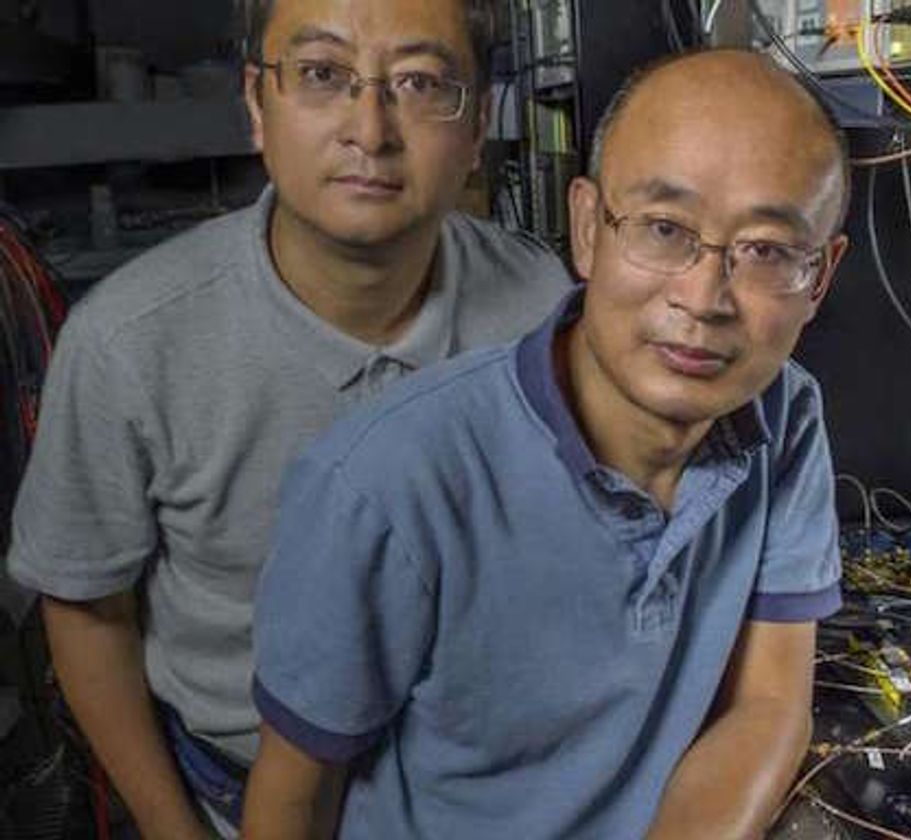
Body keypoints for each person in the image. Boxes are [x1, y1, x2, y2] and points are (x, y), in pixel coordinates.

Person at [243, 48, 852, 838]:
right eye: (664, 230)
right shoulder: (385, 484)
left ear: (822, 277)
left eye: (768, 251)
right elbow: (292, 798)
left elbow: (769, 706)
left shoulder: (784, 412)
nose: (703, 299)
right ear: (589, 229)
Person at [5, 0, 571, 835]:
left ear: (478, 121)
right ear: (256, 105)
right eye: (321, 75)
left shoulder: (544, 308)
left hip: (494, 788)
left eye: (418, 82)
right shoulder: (128, 344)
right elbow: (89, 611)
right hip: (240, 792)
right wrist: (174, 829)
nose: (369, 130)